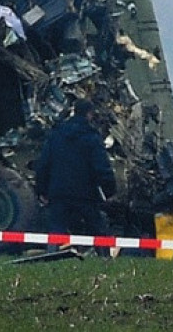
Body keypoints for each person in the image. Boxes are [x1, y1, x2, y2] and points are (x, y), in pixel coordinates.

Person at [35, 98, 116, 256]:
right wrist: (110, 191)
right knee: (97, 228)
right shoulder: (92, 137)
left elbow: (43, 165)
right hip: (85, 194)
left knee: (56, 229)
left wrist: (42, 190)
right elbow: (102, 168)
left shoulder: (56, 135)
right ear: (90, 114)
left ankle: (50, 257)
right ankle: (105, 258)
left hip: (58, 192)